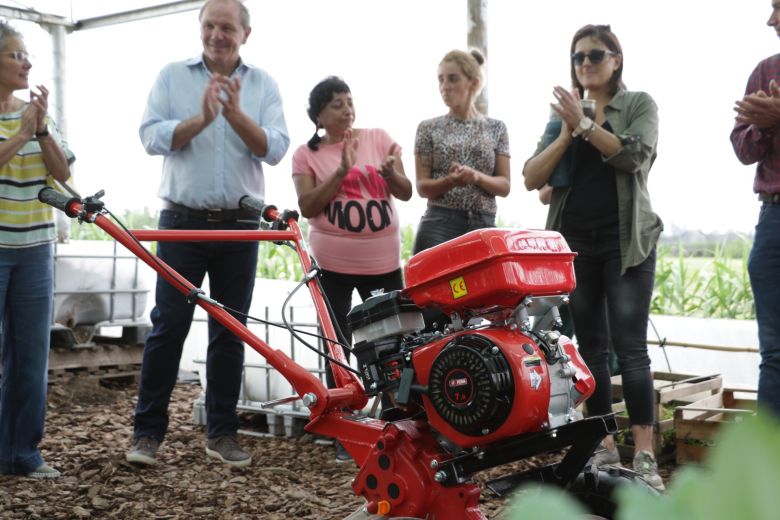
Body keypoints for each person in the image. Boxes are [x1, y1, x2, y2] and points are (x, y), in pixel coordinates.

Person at [126, 0, 289, 468]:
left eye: (227, 27)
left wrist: (235, 115)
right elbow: (150, 137)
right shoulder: (171, 76)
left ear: (246, 34)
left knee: (229, 329)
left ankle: (221, 433)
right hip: (181, 222)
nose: (217, 34)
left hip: (241, 226)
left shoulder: (263, 84)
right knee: (168, 326)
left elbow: (276, 148)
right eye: (209, 25)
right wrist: (200, 120)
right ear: (200, 29)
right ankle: (146, 434)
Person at [523, 24, 664, 491]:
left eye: (595, 54)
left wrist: (586, 126)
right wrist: (566, 133)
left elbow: (634, 157)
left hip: (626, 242)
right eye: (578, 56)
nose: (585, 63)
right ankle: (604, 447)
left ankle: (644, 454)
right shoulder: (563, 114)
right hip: (575, 243)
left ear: (616, 60)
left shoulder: (638, 104)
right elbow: (530, 176)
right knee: (591, 350)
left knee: (632, 350)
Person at [291, 76, 412, 461]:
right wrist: (341, 171)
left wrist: (392, 175)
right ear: (319, 116)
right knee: (338, 346)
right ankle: (348, 429)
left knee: (396, 341)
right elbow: (308, 206)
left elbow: (406, 191)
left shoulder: (378, 138)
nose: (347, 109)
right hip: (333, 265)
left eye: (349, 101)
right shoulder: (305, 154)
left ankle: (398, 422)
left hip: (383, 264)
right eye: (337, 105)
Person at [0, 21, 74, 478]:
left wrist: (41, 129)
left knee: (29, 358)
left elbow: (63, 172)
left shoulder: (37, 117)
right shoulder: (20, 123)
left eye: (28, 54)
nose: (27, 62)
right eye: (15, 55)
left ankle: (20, 453)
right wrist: (22, 134)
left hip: (34, 251)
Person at [730, 0, 780, 420]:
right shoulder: (765, 72)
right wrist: (765, 125)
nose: (772, 20)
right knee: (776, 352)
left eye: (779, 7)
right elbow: (742, 148)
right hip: (773, 222)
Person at [412, 49, 511, 255]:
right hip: (439, 224)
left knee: (485, 287)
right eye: (441, 79)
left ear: (473, 83)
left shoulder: (497, 128)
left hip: (483, 225)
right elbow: (422, 187)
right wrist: (451, 181)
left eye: (453, 79)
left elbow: (505, 186)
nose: (444, 87)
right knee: (433, 288)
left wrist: (475, 176)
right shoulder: (427, 128)